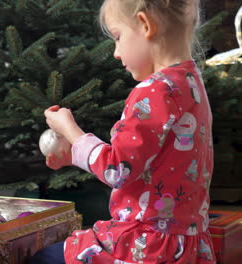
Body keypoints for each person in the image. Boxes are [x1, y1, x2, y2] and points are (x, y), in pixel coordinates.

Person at [30, 0, 216, 263]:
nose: (116, 52)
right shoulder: (191, 82)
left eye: (118, 37)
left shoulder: (153, 90)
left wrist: (71, 131)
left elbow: (117, 169)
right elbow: (156, 159)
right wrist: (73, 154)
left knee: (43, 258)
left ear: (145, 24)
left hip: (146, 245)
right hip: (185, 244)